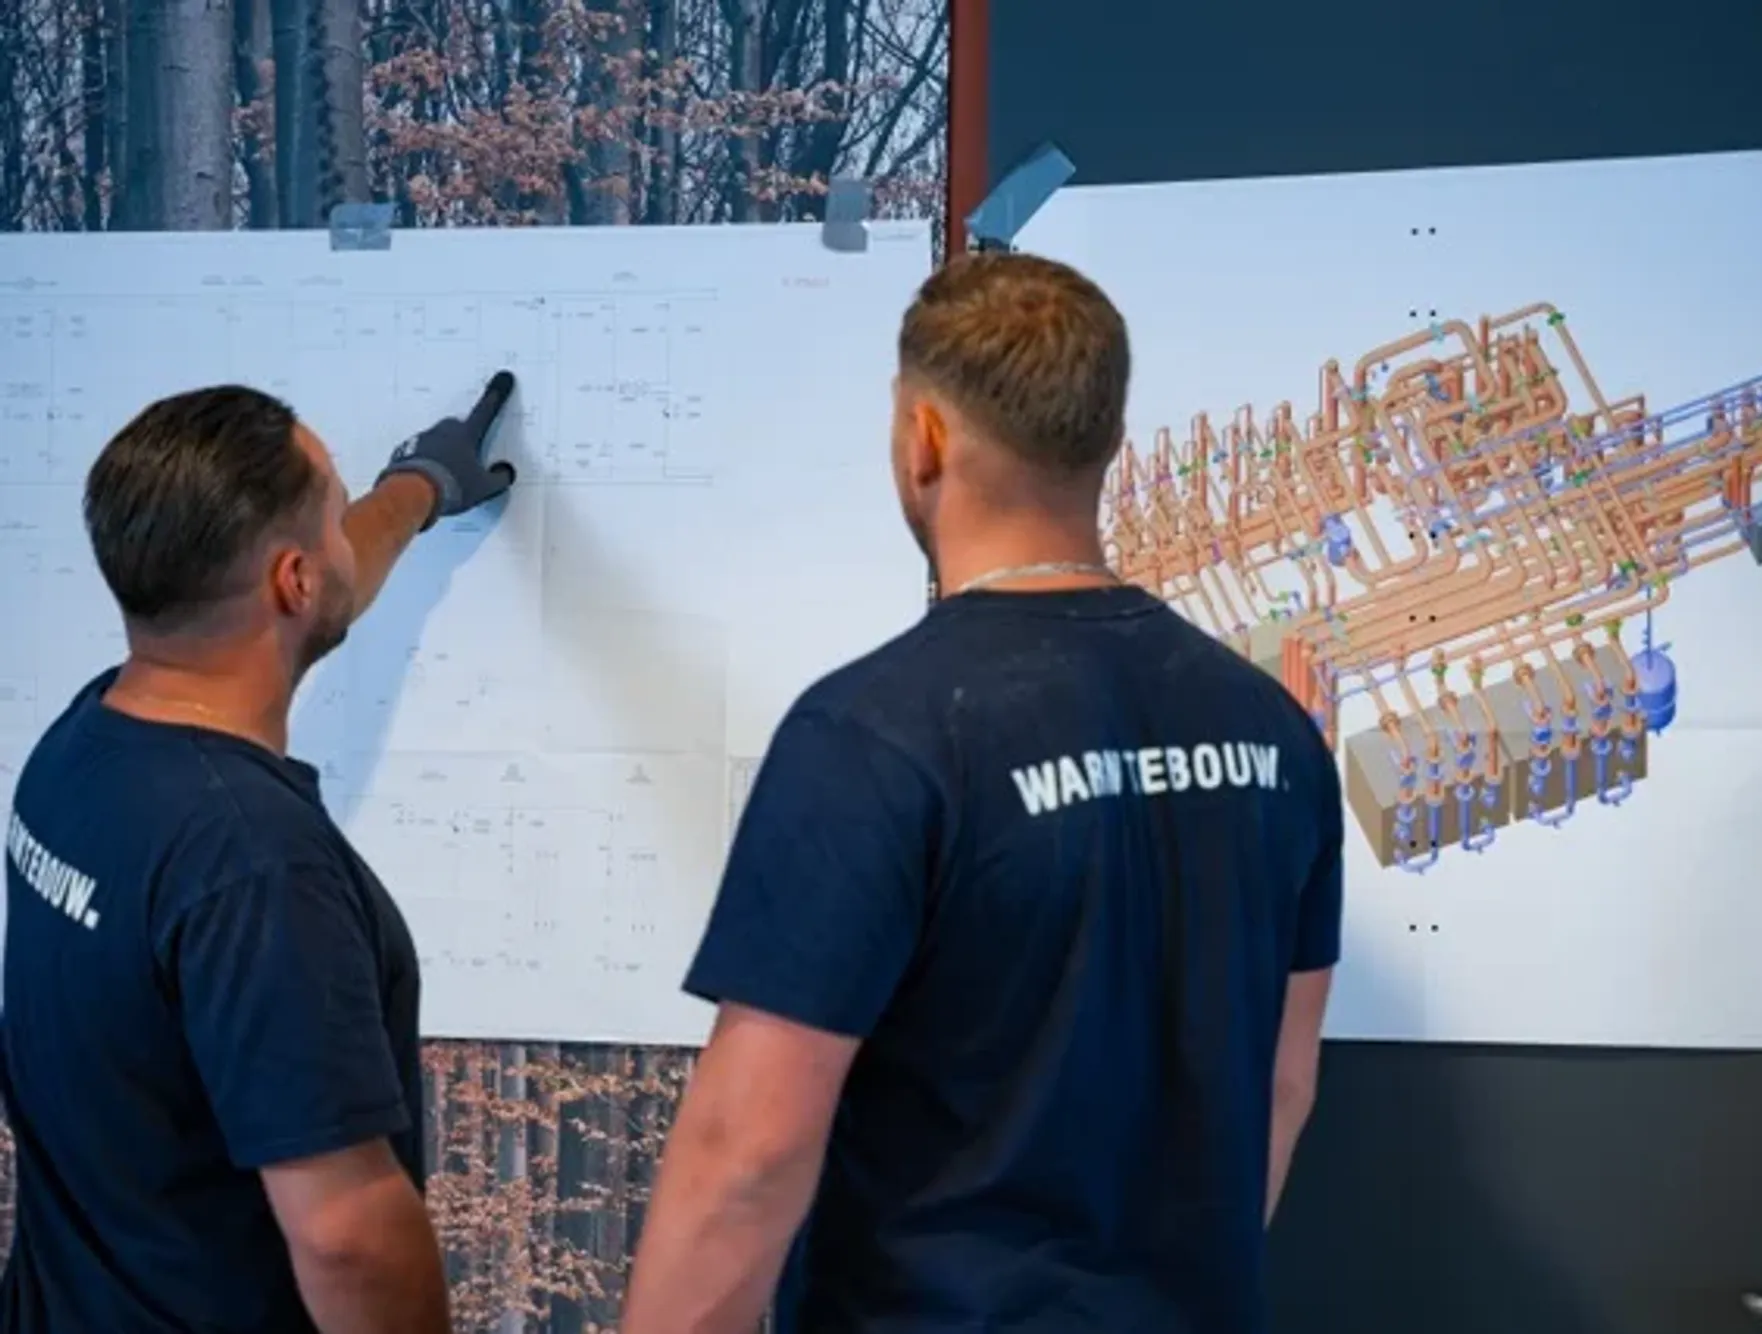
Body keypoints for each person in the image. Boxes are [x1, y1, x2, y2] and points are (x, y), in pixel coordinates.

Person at [621, 253, 1344, 1333]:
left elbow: (750, 1155)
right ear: (1105, 438)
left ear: (924, 439)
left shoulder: (873, 732)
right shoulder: (1274, 730)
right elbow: (1281, 1089)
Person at [0, 373, 518, 1333]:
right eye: (335, 512)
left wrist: (416, 489)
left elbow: (320, 590)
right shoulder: (256, 868)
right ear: (294, 580)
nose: (345, 531)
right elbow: (348, 1239)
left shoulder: (81, 746)